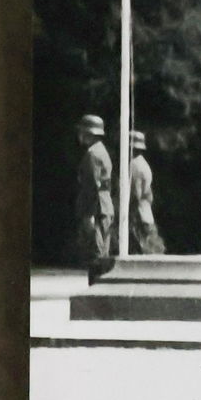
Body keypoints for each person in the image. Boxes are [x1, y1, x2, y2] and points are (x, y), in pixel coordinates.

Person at [74, 114, 115, 282]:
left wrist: (90, 214)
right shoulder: (101, 150)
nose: (79, 135)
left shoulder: (92, 154)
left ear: (88, 133)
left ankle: (96, 291)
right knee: (101, 253)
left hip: (96, 208)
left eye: (82, 132)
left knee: (95, 254)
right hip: (104, 206)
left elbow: (92, 187)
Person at [126, 130, 166, 254]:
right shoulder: (143, 163)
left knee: (143, 245)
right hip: (145, 209)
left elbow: (136, 194)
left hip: (138, 213)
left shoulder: (134, 165)